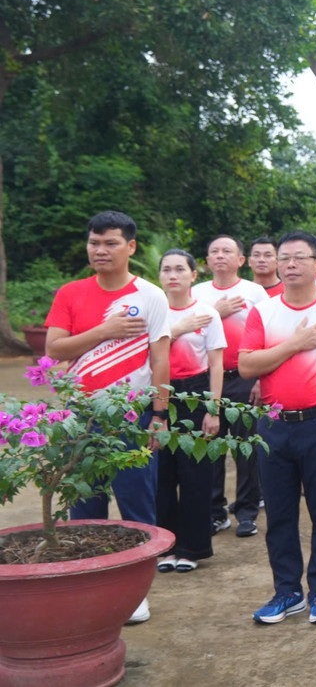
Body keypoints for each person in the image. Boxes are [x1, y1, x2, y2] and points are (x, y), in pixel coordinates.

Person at [45, 210, 172, 625]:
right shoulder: (70, 293)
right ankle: (90, 590)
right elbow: (55, 351)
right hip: (78, 417)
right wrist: (106, 330)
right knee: (84, 505)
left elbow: (160, 359)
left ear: (130, 247)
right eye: (94, 242)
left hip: (133, 417)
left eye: (111, 243)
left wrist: (159, 414)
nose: (100, 250)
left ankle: (136, 595)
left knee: (138, 507)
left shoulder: (151, 296)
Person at [240, 231, 316, 625]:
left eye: (299, 258)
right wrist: (296, 343)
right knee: (278, 514)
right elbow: (247, 367)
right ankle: (288, 591)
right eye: (284, 258)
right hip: (273, 426)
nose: (290, 265)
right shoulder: (264, 312)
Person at [195, 235, 270, 538]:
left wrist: (262, 379)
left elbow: (269, 334)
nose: (220, 256)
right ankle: (215, 511)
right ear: (207, 260)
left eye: (228, 251)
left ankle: (247, 510)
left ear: (241, 260)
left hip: (244, 378)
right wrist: (217, 311)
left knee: (246, 448)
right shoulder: (197, 292)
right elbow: (188, 329)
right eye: (214, 251)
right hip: (207, 379)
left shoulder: (255, 292)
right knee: (211, 446)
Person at [156, 249, 226, 573]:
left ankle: (192, 547)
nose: (173, 275)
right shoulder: (153, 312)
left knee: (195, 471)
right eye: (167, 269)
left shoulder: (208, 312)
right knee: (162, 473)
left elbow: (216, 363)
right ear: (159, 276)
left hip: (196, 393)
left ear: (193, 275)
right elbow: (148, 357)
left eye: (180, 269)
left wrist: (213, 409)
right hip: (159, 393)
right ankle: (166, 546)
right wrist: (180, 328)